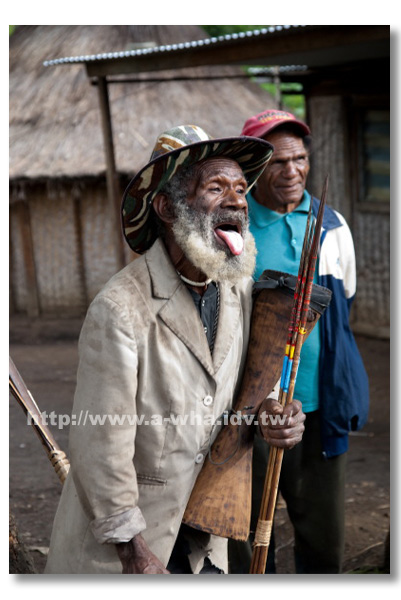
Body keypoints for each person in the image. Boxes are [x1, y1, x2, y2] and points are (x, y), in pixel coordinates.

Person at [44, 124, 307, 575]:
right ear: (167, 207)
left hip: (206, 528)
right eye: (216, 187)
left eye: (242, 188)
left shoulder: (237, 288)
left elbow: (238, 387)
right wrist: (133, 551)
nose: (238, 200)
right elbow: (100, 443)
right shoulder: (120, 307)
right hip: (132, 543)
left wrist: (271, 413)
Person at [229, 110, 369, 574]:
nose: (291, 171)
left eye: (300, 159)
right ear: (254, 167)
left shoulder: (333, 227)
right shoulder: (235, 233)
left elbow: (343, 305)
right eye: (277, 161)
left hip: (318, 407)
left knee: (323, 540)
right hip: (247, 412)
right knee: (247, 542)